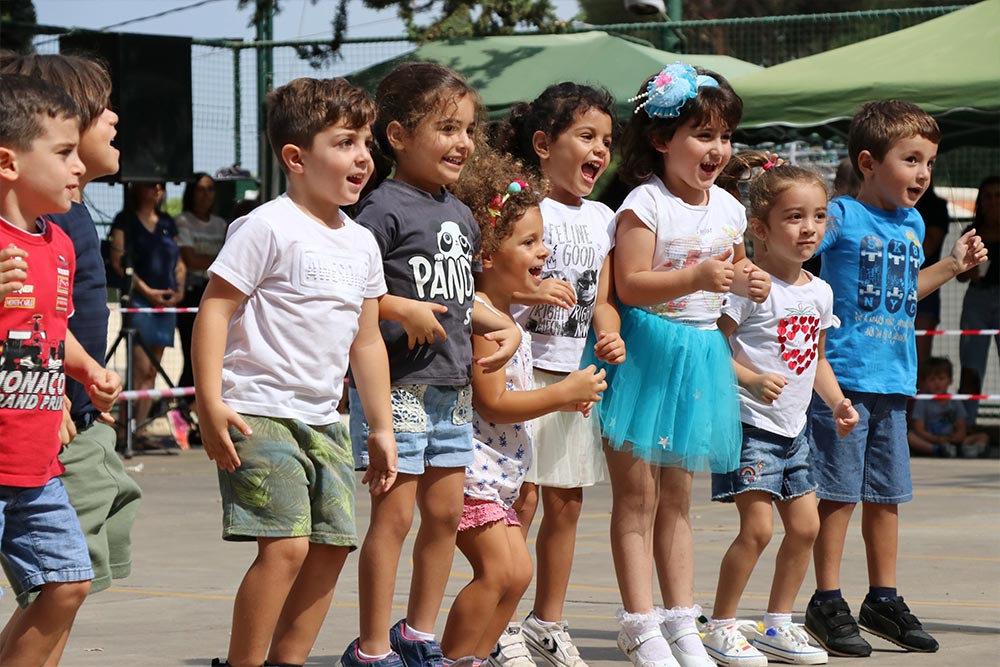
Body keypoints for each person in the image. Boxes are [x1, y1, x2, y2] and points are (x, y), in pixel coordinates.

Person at [192, 77, 398, 667]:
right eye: (344, 143)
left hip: (325, 421)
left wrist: (381, 426)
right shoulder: (266, 226)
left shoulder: (361, 243)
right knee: (285, 549)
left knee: (331, 548)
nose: (363, 156)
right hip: (258, 412)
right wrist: (209, 401)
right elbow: (214, 310)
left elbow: (366, 341)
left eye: (365, 143)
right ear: (296, 158)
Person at [340, 62, 520, 667]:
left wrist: (503, 326)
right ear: (397, 136)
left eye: (468, 129)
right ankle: (371, 648)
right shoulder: (379, 210)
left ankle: (416, 634)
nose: (462, 142)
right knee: (393, 519)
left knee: (443, 516)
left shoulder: (461, 215)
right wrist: (400, 308)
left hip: (451, 389)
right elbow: (354, 294)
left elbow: (459, 300)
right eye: (446, 128)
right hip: (397, 388)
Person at [593, 62, 770, 667]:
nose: (717, 148)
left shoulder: (729, 208)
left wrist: (750, 280)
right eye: (702, 135)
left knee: (678, 498)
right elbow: (630, 284)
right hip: (647, 353)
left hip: (699, 356)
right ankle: (639, 623)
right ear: (662, 139)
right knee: (637, 498)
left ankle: (680, 621)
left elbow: (737, 269)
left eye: (725, 136)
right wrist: (696, 276)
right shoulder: (645, 203)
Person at [803, 99, 987, 658]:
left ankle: (882, 598)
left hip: (896, 381)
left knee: (886, 496)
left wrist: (951, 265)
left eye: (929, 162)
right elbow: (797, 249)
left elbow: (906, 292)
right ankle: (827, 600)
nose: (923, 173)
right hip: (844, 381)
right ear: (868, 163)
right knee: (838, 494)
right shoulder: (839, 216)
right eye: (911, 160)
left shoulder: (912, 223)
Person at [438, 146, 608, 666]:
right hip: (473, 476)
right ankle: (450, 659)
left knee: (516, 574)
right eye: (529, 242)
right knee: (498, 572)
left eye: (543, 240)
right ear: (488, 256)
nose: (544, 252)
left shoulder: (508, 315)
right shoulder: (486, 319)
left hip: (499, 475)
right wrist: (560, 394)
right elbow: (493, 402)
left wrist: (566, 399)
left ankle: (474, 657)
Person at [0, 51, 142, 666]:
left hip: (36, 464)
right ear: (8, 162)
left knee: (69, 582)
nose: (78, 165)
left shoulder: (57, 242)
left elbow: (50, 329)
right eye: (63, 152)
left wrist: (83, 369)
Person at [699, 153, 859, 667]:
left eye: (818, 216)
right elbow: (713, 348)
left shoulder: (820, 292)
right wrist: (749, 378)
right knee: (758, 530)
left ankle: (776, 623)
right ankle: (721, 626)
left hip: (795, 430)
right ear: (760, 229)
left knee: (807, 528)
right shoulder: (751, 287)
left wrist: (837, 402)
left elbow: (816, 359)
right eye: (794, 217)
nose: (809, 227)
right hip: (749, 426)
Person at [492, 82, 625, 667]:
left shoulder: (604, 218)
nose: (600, 150)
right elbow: (490, 283)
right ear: (544, 144)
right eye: (587, 136)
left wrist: (610, 332)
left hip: (574, 379)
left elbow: (604, 300)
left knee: (565, 503)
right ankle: (498, 623)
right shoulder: (522, 208)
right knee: (519, 501)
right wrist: (531, 291)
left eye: (607, 141)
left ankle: (546, 622)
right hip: (522, 373)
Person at [110, 180, 186, 435]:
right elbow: (118, 261)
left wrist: (179, 290)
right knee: (140, 369)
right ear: (139, 187)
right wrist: (147, 292)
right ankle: (125, 429)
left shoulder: (167, 222)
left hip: (167, 303)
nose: (157, 189)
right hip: (140, 302)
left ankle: (139, 430)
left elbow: (179, 261)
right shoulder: (125, 220)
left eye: (161, 185)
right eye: (151, 184)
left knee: (153, 370)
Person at [174, 172, 227, 399]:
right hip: (192, 293)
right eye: (200, 189)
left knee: (216, 354)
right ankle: (184, 405)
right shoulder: (182, 221)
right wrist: (221, 261)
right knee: (192, 353)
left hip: (217, 293)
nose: (206, 194)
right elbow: (190, 259)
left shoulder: (221, 224)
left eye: (210, 189)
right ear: (191, 192)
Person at [957, 175, 999, 426]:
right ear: (980, 202)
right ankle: (966, 425)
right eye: (988, 196)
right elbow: (958, 273)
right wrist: (968, 273)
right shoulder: (972, 233)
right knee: (971, 365)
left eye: (998, 196)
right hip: (977, 300)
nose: (993, 201)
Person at [908, 356, 989, 458]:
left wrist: (957, 437)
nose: (937, 383)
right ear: (925, 383)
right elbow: (919, 429)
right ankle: (937, 450)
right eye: (932, 379)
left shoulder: (955, 401)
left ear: (950, 380)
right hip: (931, 440)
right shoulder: (922, 401)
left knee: (983, 437)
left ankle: (968, 450)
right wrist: (937, 439)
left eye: (941, 378)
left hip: (952, 441)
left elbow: (961, 427)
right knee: (910, 437)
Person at [913, 181, 951, 363]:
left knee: (921, 359)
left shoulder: (936, 207)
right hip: (891, 287)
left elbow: (926, 248)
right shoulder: (888, 206)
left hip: (926, 290)